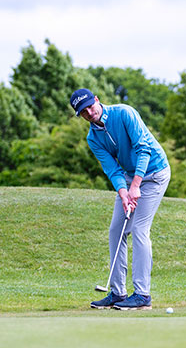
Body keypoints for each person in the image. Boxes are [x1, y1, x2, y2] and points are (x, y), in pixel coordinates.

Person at [70, 88, 170, 311]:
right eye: (82, 112)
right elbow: (112, 169)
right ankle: (118, 293)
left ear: (96, 99)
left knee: (140, 229)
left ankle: (143, 295)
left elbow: (143, 149)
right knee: (116, 230)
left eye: (89, 106)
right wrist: (123, 192)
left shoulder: (124, 113)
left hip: (155, 173)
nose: (88, 112)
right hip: (128, 176)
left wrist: (136, 185)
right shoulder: (92, 138)